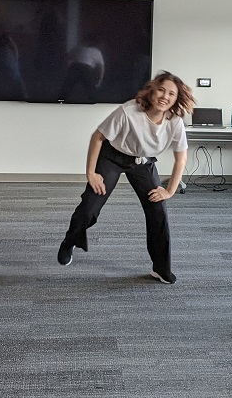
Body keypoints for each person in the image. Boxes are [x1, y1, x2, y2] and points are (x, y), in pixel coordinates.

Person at [57, 71, 194, 284]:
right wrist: (91, 173)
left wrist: (169, 191)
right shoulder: (129, 111)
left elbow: (181, 158)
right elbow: (98, 137)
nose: (165, 96)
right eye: (161, 90)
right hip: (113, 156)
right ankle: (70, 240)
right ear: (152, 90)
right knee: (90, 206)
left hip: (143, 162)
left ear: (176, 99)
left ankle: (160, 268)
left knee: (157, 211)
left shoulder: (174, 121)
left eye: (171, 94)